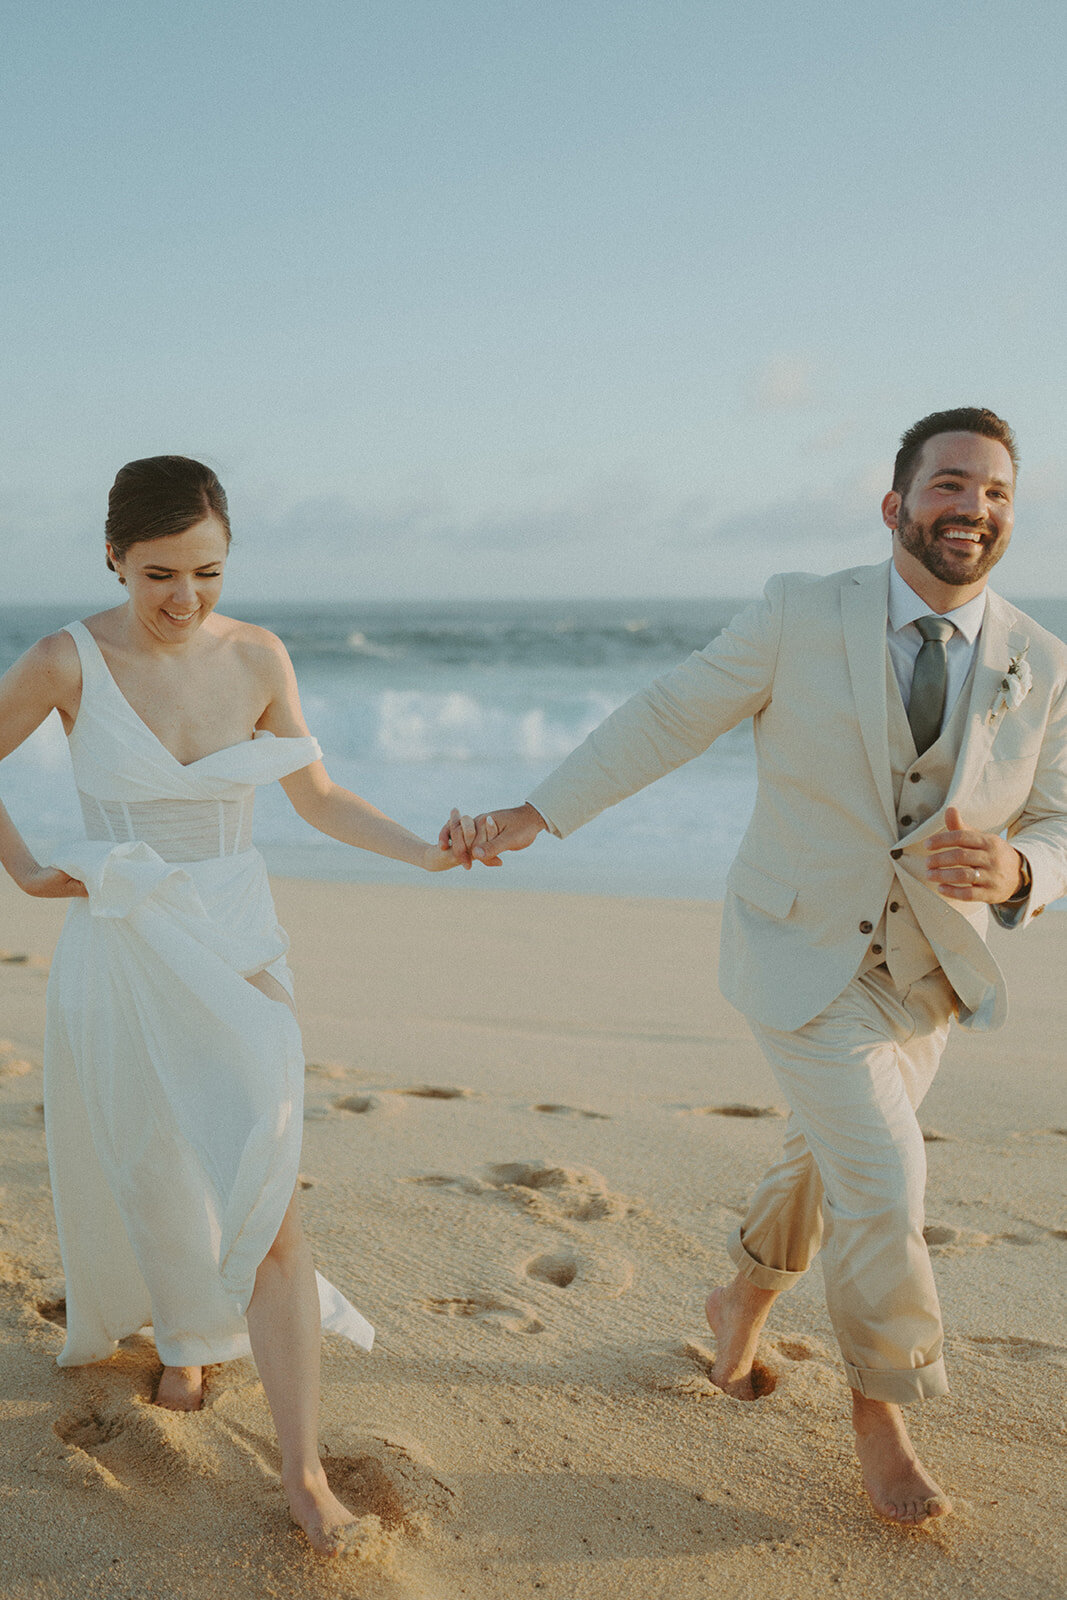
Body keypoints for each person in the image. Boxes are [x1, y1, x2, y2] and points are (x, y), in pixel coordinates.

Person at [442, 407, 1067, 1525]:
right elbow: (670, 715)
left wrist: (1019, 867)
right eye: (949, 485)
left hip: (925, 973)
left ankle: (737, 1297)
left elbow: (1060, 820)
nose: (972, 507)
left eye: (995, 492)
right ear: (894, 505)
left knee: (823, 1155)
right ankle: (881, 1414)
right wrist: (540, 810)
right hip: (797, 949)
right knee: (884, 1173)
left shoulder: (1041, 659)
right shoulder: (797, 613)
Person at [0, 455, 480, 1558]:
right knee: (156, 1159)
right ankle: (184, 1336)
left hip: (236, 935)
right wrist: (24, 867)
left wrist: (421, 852)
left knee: (266, 1191)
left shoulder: (258, 653)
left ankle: (305, 1469)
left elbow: (313, 795)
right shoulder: (64, 659)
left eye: (206, 571)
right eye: (158, 573)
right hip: (122, 938)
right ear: (114, 558)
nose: (183, 598)